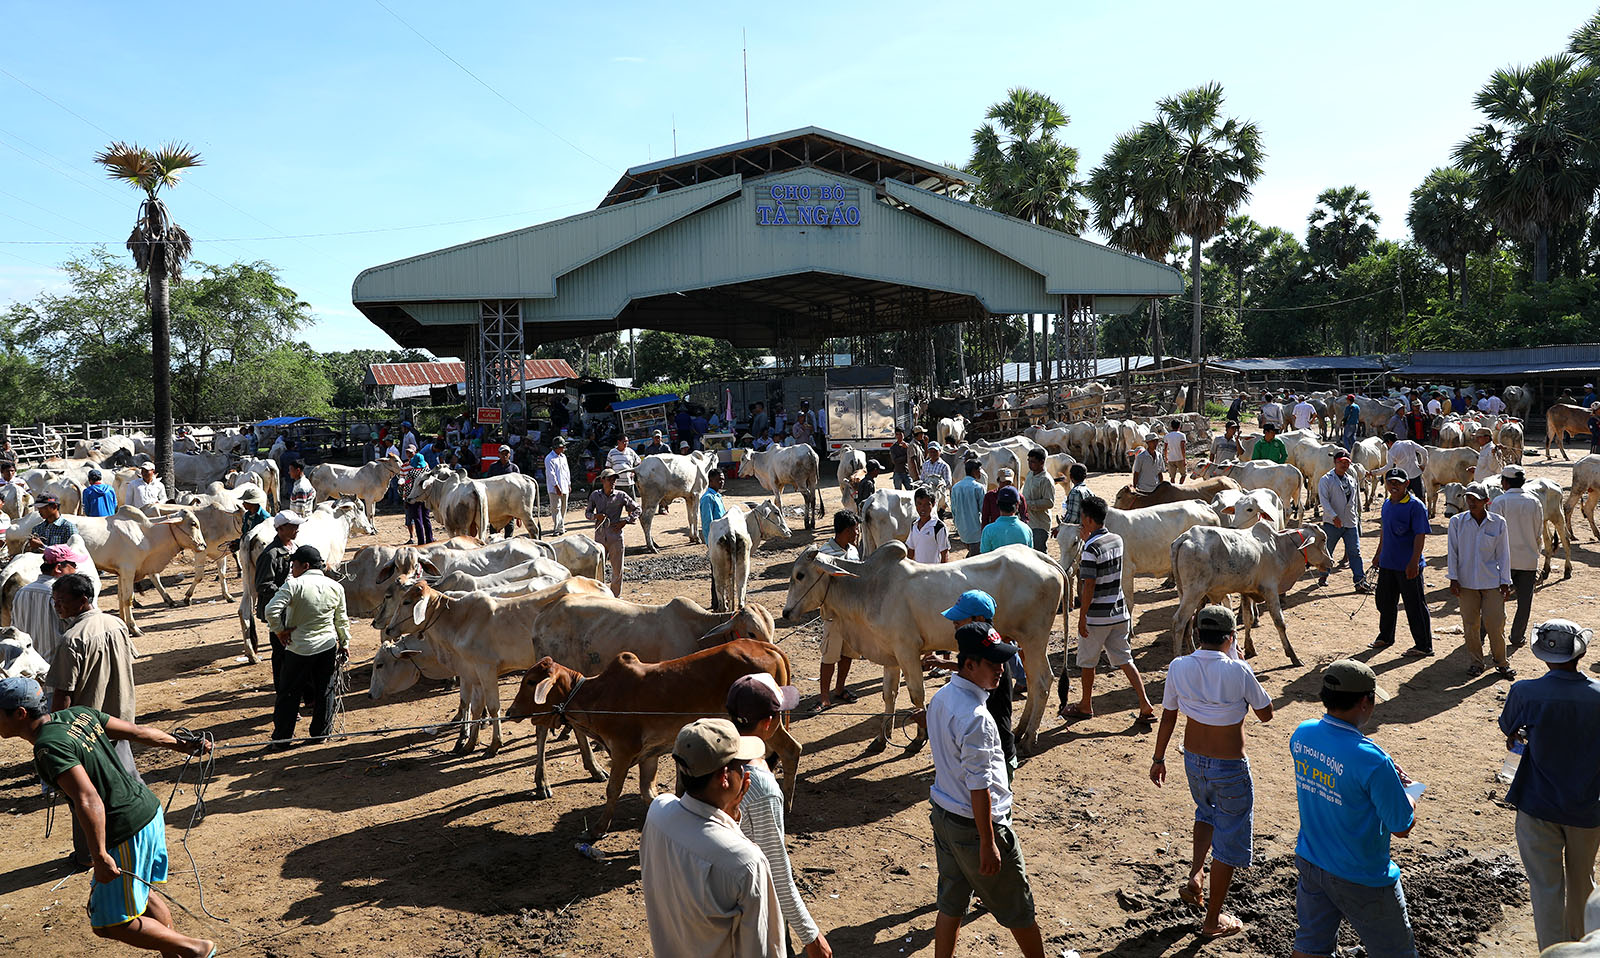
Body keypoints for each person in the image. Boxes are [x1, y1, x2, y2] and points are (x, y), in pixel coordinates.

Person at [0, 677, 215, 958]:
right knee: (142, 895)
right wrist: (182, 745)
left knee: (110, 922)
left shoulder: (48, 748)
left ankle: (195, 949)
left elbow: (88, 799)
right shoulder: (78, 714)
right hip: (147, 811)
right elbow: (137, 732)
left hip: (124, 827)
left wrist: (99, 856)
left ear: (20, 713)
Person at [1150, 605, 1274, 940]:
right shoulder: (1238, 670)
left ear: (1196, 634)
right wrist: (1240, 666)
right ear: (1231, 636)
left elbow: (1169, 715)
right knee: (1229, 839)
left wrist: (1158, 758)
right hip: (1229, 764)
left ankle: (1196, 875)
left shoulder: (1178, 666)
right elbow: (1266, 713)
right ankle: (1212, 920)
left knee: (1205, 812)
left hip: (1193, 760)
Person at [925, 623, 1047, 958]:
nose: (1001, 670)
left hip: (945, 816)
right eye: (992, 663)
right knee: (1020, 910)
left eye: (1002, 661)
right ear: (969, 665)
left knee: (951, 904)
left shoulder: (942, 698)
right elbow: (979, 786)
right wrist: (989, 842)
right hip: (975, 826)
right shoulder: (976, 716)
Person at [1288, 659, 1418, 958]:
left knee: (1311, 947)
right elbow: (1401, 826)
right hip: (1361, 874)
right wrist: (1409, 792)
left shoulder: (1302, 734)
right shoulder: (1373, 760)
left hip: (1312, 861)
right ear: (1364, 702)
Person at [640, 718, 783, 958]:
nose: (745, 773)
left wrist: (728, 814)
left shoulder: (658, 812)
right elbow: (762, 949)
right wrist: (729, 816)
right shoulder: (747, 863)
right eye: (741, 766)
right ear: (724, 776)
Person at [1499, 620, 1600, 950]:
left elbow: (1508, 727)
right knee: (1583, 883)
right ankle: (1585, 949)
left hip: (1537, 803)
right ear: (1580, 653)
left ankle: (1553, 952)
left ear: (1543, 654)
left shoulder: (1525, 692)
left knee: (1545, 888)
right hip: (1587, 807)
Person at [726, 675, 833, 958]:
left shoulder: (713, 757)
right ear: (768, 723)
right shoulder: (761, 787)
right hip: (753, 907)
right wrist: (811, 935)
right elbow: (776, 869)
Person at [50, 572, 142, 865]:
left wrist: (55, 734)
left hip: (85, 733)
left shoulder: (71, 640)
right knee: (127, 783)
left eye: (61, 600)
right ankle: (133, 838)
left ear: (83, 600)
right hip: (120, 721)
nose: (57, 606)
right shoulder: (117, 624)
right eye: (54, 601)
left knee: (84, 795)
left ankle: (88, 853)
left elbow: (63, 694)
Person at [1062, 494, 1155, 722]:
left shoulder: (1090, 549)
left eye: (1082, 518)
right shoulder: (1117, 539)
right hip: (1119, 612)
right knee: (1125, 659)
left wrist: (1082, 617)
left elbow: (1089, 586)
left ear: (1089, 520)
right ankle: (1145, 703)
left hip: (1097, 617)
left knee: (1087, 662)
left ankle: (1085, 705)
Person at [265, 544, 351, 748]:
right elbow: (341, 620)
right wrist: (344, 643)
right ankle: (321, 734)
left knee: (289, 693)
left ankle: (282, 739)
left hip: (299, 649)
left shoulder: (294, 585)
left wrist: (280, 631)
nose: (291, 569)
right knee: (326, 689)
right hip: (327, 646)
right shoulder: (336, 587)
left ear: (305, 566)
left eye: (293, 565)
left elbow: (271, 610)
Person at [1446, 482, 1515, 678]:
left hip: (1492, 581)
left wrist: (1505, 581)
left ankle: (1501, 662)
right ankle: (1476, 663)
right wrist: (1453, 578)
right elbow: (1453, 552)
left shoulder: (1498, 522)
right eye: (1468, 498)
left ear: (1486, 501)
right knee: (1470, 625)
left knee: (1496, 624)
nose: (1471, 502)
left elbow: (1503, 554)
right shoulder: (1457, 522)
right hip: (1466, 583)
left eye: (1475, 499)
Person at [1370, 469, 1434, 658]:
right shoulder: (1387, 504)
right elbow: (1384, 531)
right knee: (1385, 602)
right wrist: (1378, 554)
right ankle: (1385, 637)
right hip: (1388, 563)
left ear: (1407, 483)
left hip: (1408, 566)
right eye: (1390, 482)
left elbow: (1420, 535)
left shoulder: (1416, 506)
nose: (1394, 486)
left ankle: (1424, 645)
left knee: (1415, 606)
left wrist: (1414, 562)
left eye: (1398, 482)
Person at [13, 543, 84, 682]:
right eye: (73, 565)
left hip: (28, 673)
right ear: (58, 568)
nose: (75, 569)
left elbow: (14, 629)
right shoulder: (62, 596)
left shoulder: (21, 592)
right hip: (57, 670)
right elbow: (80, 629)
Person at [1492, 464, 1544, 649]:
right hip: (1528, 560)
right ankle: (1517, 636)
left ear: (1505, 482)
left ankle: (1485, 632)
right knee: (1524, 602)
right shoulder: (1534, 502)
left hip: (1503, 561)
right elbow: (1538, 532)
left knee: (1494, 600)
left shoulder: (1499, 502)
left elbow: (1493, 533)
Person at [815, 511, 861, 709]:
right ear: (847, 530)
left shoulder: (853, 551)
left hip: (851, 615)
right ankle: (824, 696)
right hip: (833, 615)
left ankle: (840, 688)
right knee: (829, 656)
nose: (857, 533)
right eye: (855, 530)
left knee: (848, 653)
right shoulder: (824, 554)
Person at [253, 511, 303, 674]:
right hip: (280, 612)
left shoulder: (295, 548)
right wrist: (287, 595)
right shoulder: (270, 555)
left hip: (295, 609)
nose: (297, 529)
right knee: (281, 653)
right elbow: (263, 585)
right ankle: (281, 685)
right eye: (293, 526)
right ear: (280, 529)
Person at [1317, 449, 1372, 593]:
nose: (1344, 465)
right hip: (1332, 523)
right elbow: (1324, 501)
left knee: (1355, 552)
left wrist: (1357, 518)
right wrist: (1333, 516)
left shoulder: (1352, 479)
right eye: (1341, 462)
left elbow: (1354, 501)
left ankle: (1360, 581)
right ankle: (1323, 575)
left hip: (1350, 522)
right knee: (1328, 551)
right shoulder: (1326, 480)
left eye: (1347, 462)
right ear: (1335, 462)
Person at [587, 468, 641, 597]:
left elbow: (638, 509)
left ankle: (615, 596)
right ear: (602, 480)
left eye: (614, 480)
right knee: (599, 568)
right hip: (600, 536)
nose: (612, 482)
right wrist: (596, 516)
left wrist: (626, 521)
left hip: (616, 536)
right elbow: (587, 513)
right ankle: (600, 595)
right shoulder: (595, 495)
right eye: (609, 479)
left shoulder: (621, 495)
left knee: (617, 569)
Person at [701, 467, 730, 606]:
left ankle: (719, 601)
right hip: (715, 542)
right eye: (719, 480)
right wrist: (711, 543)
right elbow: (708, 523)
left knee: (722, 573)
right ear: (711, 481)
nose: (722, 482)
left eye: (723, 479)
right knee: (716, 574)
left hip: (723, 540)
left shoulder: (718, 496)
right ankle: (716, 602)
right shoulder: (708, 498)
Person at [1021, 449, 1055, 550]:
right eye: (1029, 461)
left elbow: (1049, 502)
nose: (1030, 464)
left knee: (1039, 553)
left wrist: (1027, 504)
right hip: (1028, 522)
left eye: (1033, 462)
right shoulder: (1030, 474)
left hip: (1040, 525)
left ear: (1042, 462)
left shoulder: (1046, 480)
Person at [980, 487, 1031, 554]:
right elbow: (1030, 555)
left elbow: (984, 556)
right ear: (1017, 505)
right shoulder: (1026, 530)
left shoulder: (988, 530)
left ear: (997, 503)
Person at [951, 458, 985, 556]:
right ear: (974, 471)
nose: (980, 473)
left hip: (962, 530)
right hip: (976, 530)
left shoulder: (956, 487)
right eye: (979, 470)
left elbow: (953, 510)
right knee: (976, 558)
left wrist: (957, 525)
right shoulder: (978, 487)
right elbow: (983, 510)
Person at [908, 487, 951, 563]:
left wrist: (941, 570)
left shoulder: (938, 527)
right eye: (919, 504)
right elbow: (911, 550)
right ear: (915, 504)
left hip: (933, 569)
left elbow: (944, 554)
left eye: (927, 504)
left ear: (933, 504)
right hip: (918, 569)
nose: (922, 508)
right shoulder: (914, 525)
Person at [1382, 431, 1427, 500]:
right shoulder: (1409, 443)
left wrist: (1374, 472)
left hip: (1402, 478)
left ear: (1389, 442)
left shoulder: (1391, 452)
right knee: (1421, 497)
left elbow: (1389, 467)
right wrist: (1423, 465)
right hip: (1416, 474)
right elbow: (1424, 451)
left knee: (1401, 498)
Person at [545, 436, 571, 536]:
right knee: (556, 508)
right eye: (562, 447)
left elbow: (567, 471)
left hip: (564, 485)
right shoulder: (549, 458)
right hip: (554, 488)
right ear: (557, 447)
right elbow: (551, 474)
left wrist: (569, 484)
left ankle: (561, 526)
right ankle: (557, 528)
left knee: (564, 507)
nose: (564, 448)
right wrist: (556, 487)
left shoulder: (563, 457)